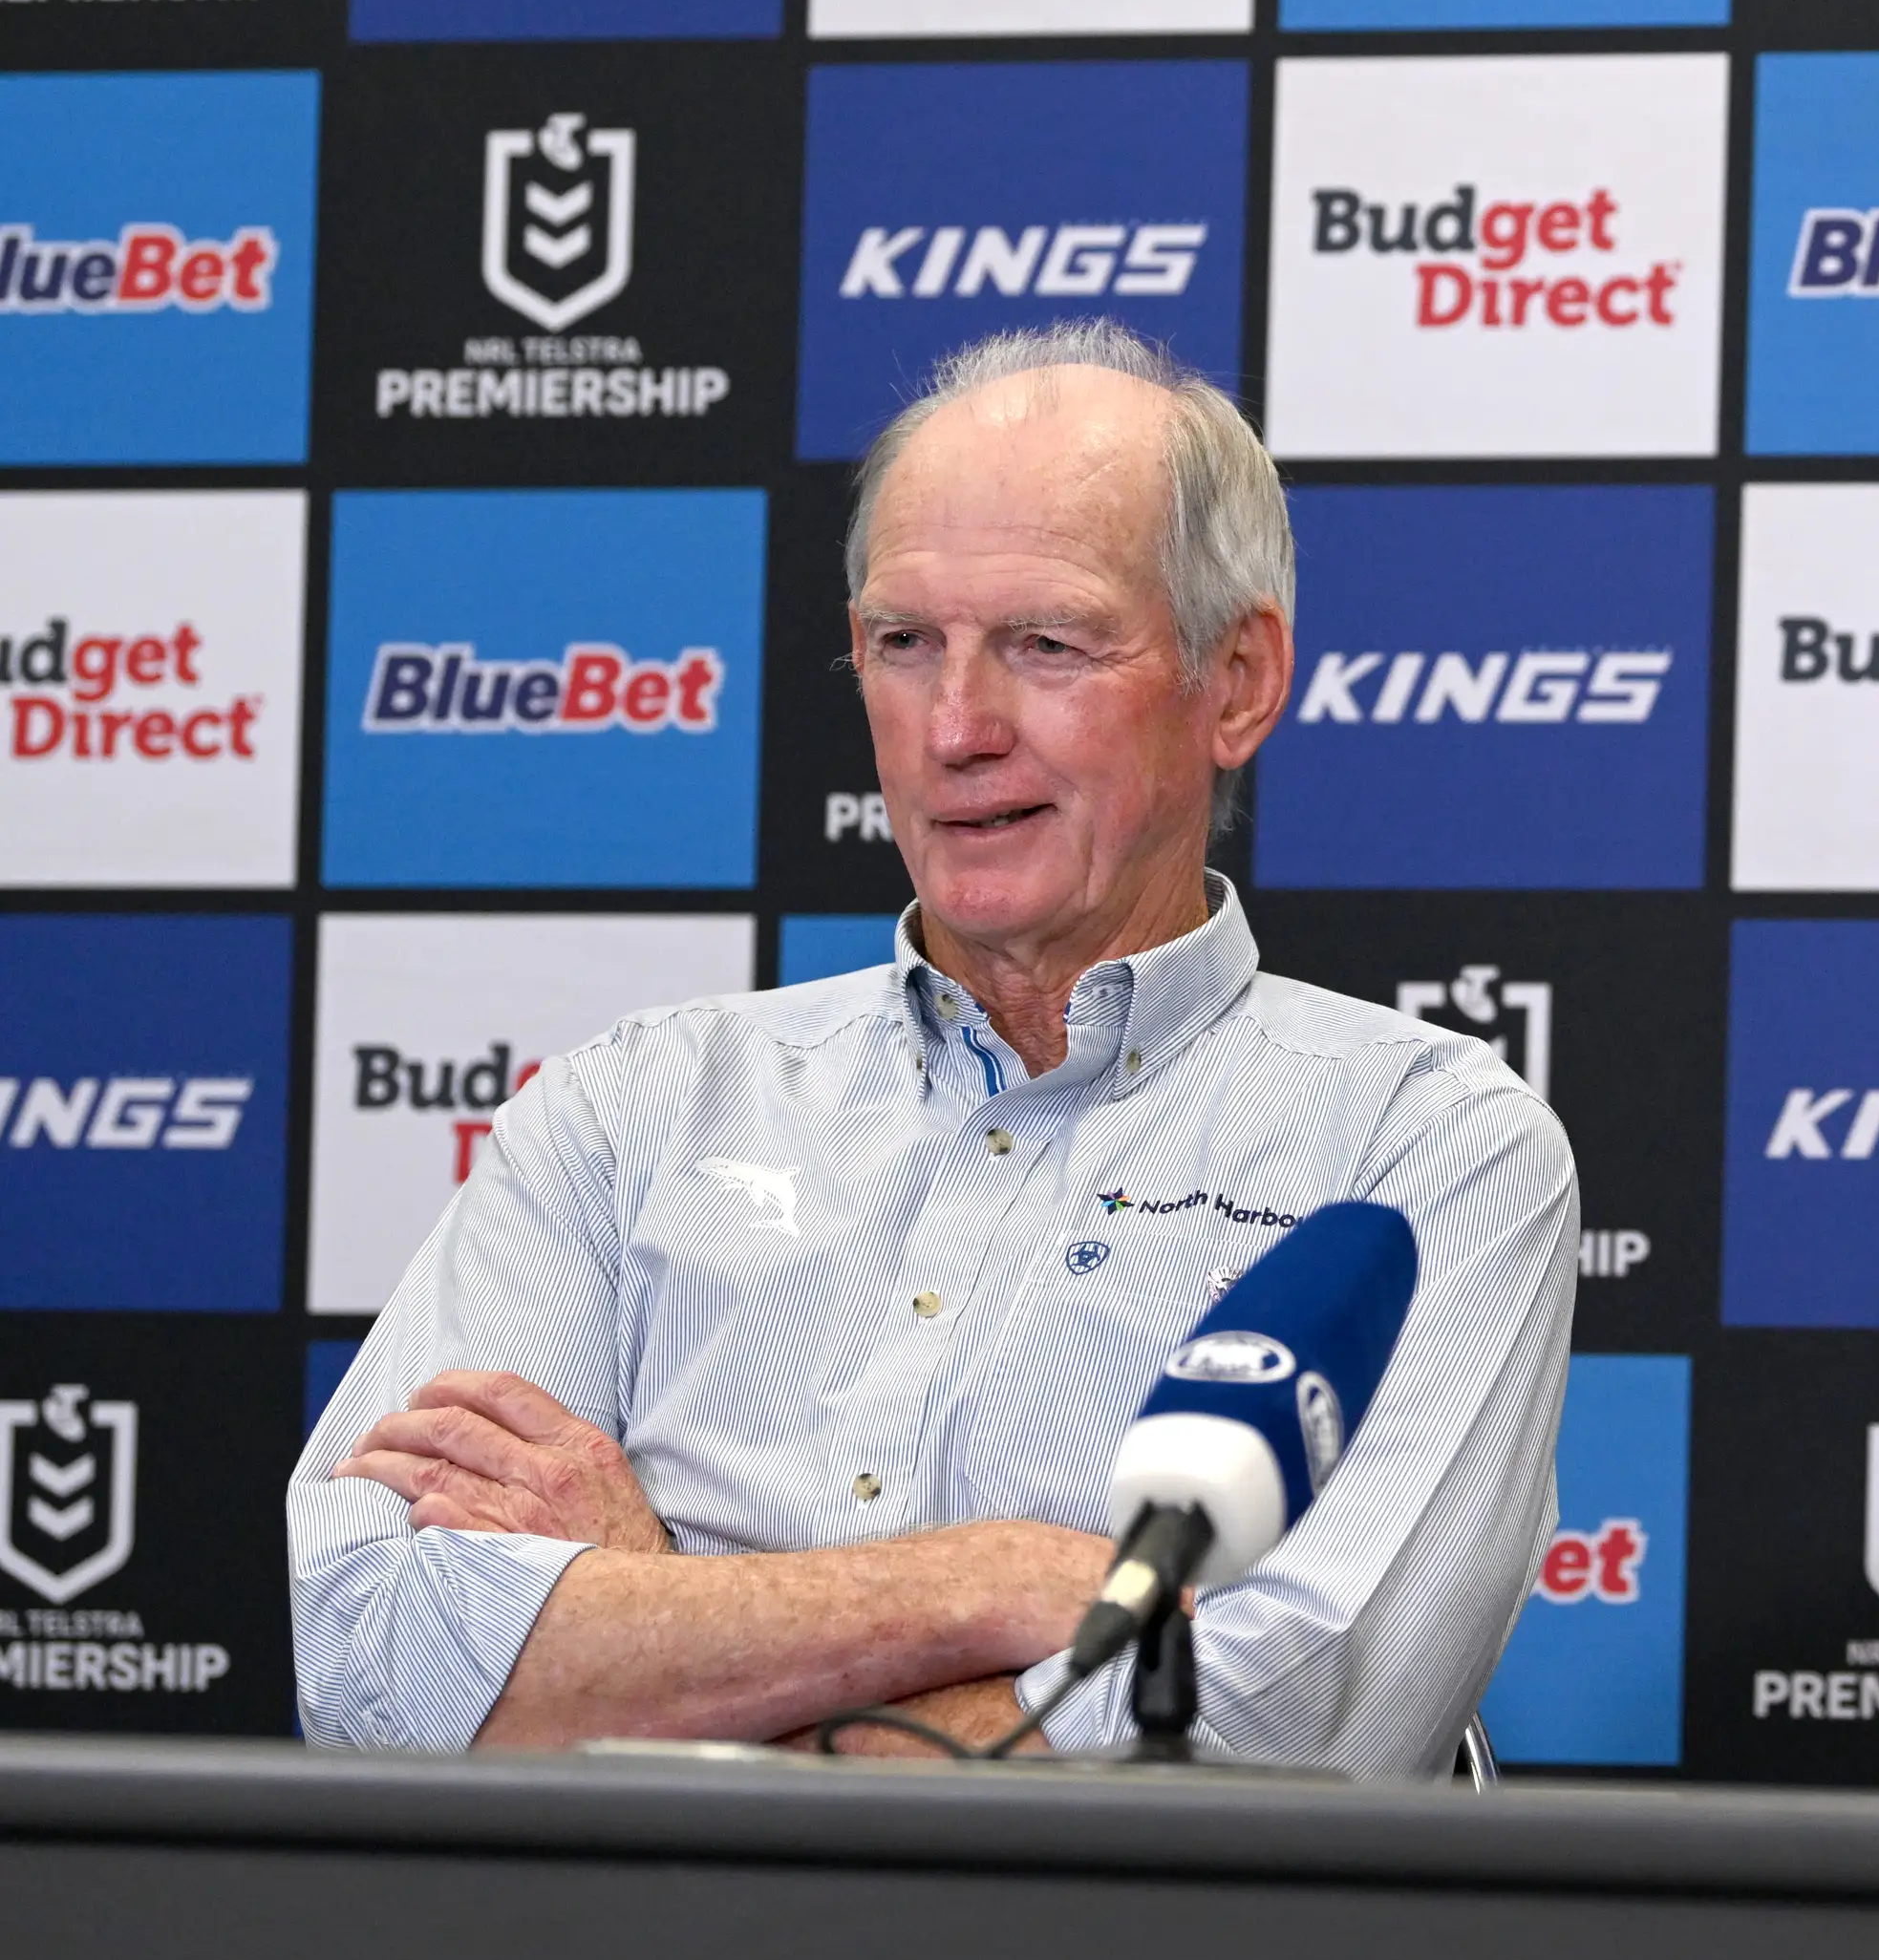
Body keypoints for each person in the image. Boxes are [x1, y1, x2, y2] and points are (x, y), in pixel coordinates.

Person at [289, 321, 1576, 1771]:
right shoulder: (631, 1108)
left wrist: (653, 1618)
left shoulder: (1423, 1149)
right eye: (905, 645)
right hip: (630, 1931)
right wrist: (987, 1586)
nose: (957, 728)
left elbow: (1278, 1737)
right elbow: (371, 1667)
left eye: (1047, 644)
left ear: (1237, 681)